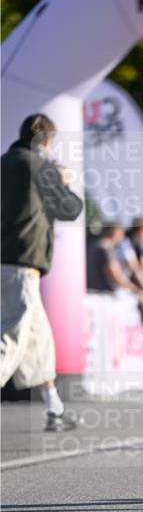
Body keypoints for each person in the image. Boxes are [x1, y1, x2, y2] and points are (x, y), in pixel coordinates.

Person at [1, 113, 83, 430]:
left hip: (6, 262)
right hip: (22, 264)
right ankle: (54, 409)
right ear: (46, 140)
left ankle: (54, 409)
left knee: (39, 341)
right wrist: (63, 181)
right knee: (11, 339)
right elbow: (69, 209)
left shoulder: (4, 163)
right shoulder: (40, 167)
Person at [87, 225, 143, 323]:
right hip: (104, 298)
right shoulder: (106, 249)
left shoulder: (93, 245)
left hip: (92, 295)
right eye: (120, 234)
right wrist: (134, 289)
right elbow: (116, 276)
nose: (121, 238)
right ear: (114, 233)